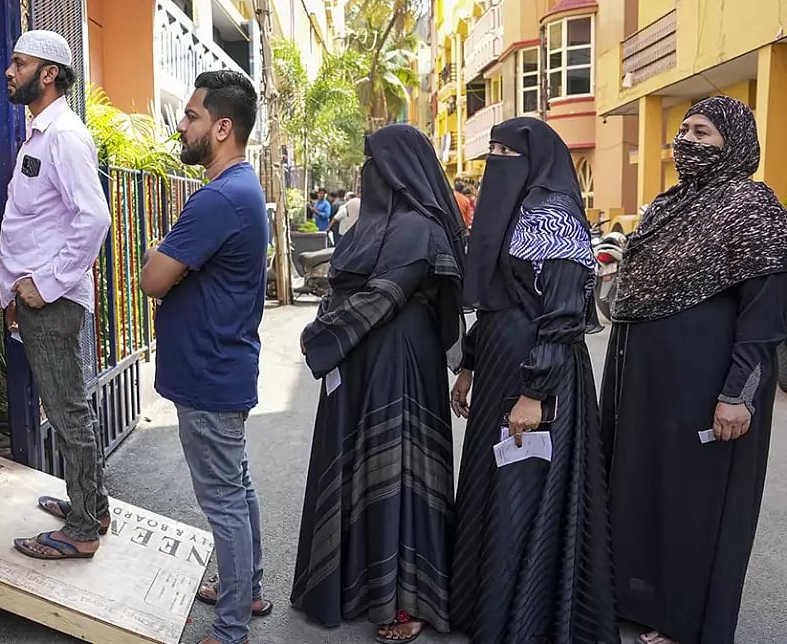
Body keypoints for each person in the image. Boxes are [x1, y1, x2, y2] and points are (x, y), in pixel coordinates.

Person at [602, 96, 787, 644]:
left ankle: (686, 620)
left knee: (695, 503)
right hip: (648, 386)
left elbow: (764, 317)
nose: (687, 142)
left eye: (702, 133)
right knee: (644, 489)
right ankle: (639, 599)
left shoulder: (752, 208)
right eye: (684, 132)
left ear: (734, 142)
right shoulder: (667, 206)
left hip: (707, 387)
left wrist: (738, 395)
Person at [293, 125, 466, 643]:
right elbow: (341, 287)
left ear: (395, 169)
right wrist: (328, 327)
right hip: (357, 358)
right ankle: (354, 586)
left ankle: (407, 599)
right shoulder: (367, 225)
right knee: (357, 467)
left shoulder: (422, 229)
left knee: (402, 471)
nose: (366, 172)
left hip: (401, 363)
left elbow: (386, 294)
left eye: (373, 162)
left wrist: (321, 336)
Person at [450, 117, 619, 644]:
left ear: (536, 158)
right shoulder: (511, 211)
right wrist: (469, 366)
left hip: (538, 376)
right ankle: (487, 608)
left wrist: (534, 393)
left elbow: (563, 314)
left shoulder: (555, 215)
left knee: (525, 491)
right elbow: (494, 300)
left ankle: (526, 618)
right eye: (493, 151)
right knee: (493, 485)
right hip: (498, 370)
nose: (497, 161)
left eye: (507, 152)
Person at [140, 70, 268, 644]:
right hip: (221, 367)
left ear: (221, 128)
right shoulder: (240, 189)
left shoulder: (219, 198)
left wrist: (158, 254)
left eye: (191, 116)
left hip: (211, 374)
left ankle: (232, 626)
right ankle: (248, 589)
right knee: (235, 488)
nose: (182, 125)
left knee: (223, 500)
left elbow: (153, 279)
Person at [0, 31, 112, 561]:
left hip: (53, 300)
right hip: (39, 299)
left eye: (19, 63)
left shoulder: (63, 136)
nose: (9, 72)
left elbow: (94, 219)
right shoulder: (41, 134)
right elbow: (35, 223)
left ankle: (84, 529)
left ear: (48, 74)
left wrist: (43, 286)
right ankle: (93, 507)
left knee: (67, 413)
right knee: (70, 409)